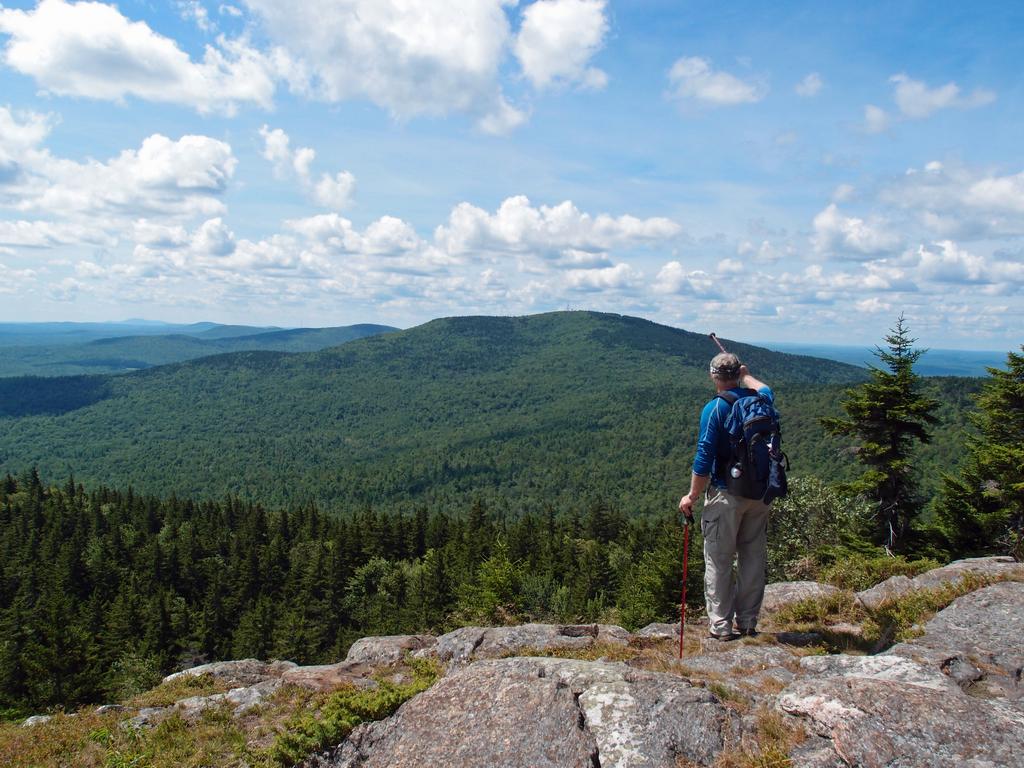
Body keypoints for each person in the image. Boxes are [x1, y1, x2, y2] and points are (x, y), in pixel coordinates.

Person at [678, 352, 772, 640]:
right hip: (760, 492)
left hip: (725, 493)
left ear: (713, 377)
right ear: (738, 373)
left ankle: (721, 626)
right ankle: (748, 622)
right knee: (753, 556)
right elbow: (765, 388)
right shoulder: (761, 400)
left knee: (719, 559)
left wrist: (691, 496)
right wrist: (746, 375)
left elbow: (703, 458)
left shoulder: (715, 409)